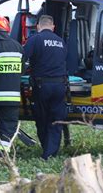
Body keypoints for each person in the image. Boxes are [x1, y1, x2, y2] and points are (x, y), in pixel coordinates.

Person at [23, 15, 68, 160]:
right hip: (61, 85)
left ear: (38, 26)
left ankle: (47, 151)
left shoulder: (35, 40)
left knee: (42, 118)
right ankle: (51, 152)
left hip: (42, 86)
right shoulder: (61, 42)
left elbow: (23, 58)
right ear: (53, 26)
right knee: (56, 119)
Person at [0, 16, 25, 157]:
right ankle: (3, 152)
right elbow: (23, 70)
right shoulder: (18, 47)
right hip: (12, 97)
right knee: (8, 125)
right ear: (7, 29)